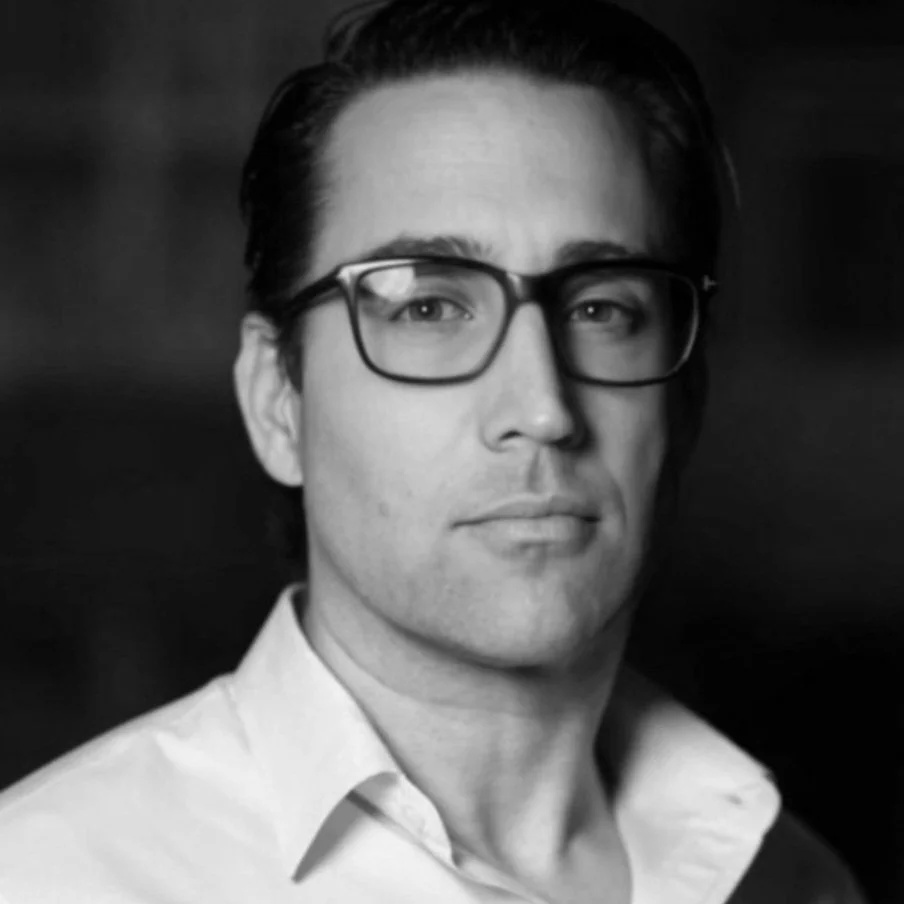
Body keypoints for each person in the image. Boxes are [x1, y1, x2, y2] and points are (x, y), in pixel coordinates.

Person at [0, 1, 867, 901]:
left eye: (601, 308)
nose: (543, 409)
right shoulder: (50, 878)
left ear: (686, 402)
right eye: (427, 307)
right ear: (277, 402)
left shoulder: (792, 879)